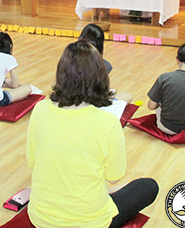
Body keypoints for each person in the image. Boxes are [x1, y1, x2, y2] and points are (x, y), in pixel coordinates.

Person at [27, 41, 158, 228]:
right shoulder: (107, 122)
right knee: (148, 186)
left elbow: (32, 160)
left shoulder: (40, 109)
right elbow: (114, 176)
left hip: (40, 218)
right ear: (100, 77)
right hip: (89, 222)